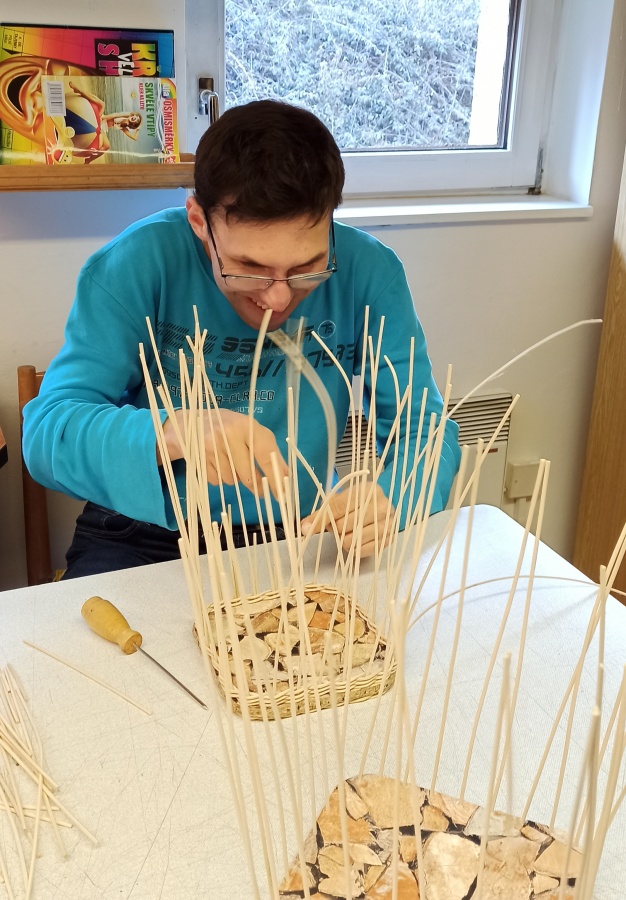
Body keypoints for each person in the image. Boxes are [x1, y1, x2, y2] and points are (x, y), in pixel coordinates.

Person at [22, 99, 461, 579]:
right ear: (199, 223)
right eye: (248, 268)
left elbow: (426, 431)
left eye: (307, 268)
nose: (277, 297)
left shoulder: (370, 272)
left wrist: (393, 499)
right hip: (143, 533)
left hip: (298, 528)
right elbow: (47, 433)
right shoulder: (135, 264)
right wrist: (173, 433)